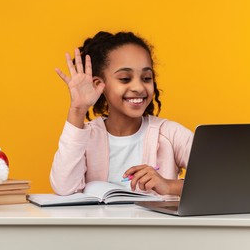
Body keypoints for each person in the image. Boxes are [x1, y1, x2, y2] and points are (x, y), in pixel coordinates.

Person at [50, 31, 193, 197]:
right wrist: (77, 110)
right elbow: (63, 187)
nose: (139, 87)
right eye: (125, 78)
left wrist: (168, 186)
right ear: (99, 84)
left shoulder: (170, 134)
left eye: (146, 78)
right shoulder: (87, 136)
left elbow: (221, 181)